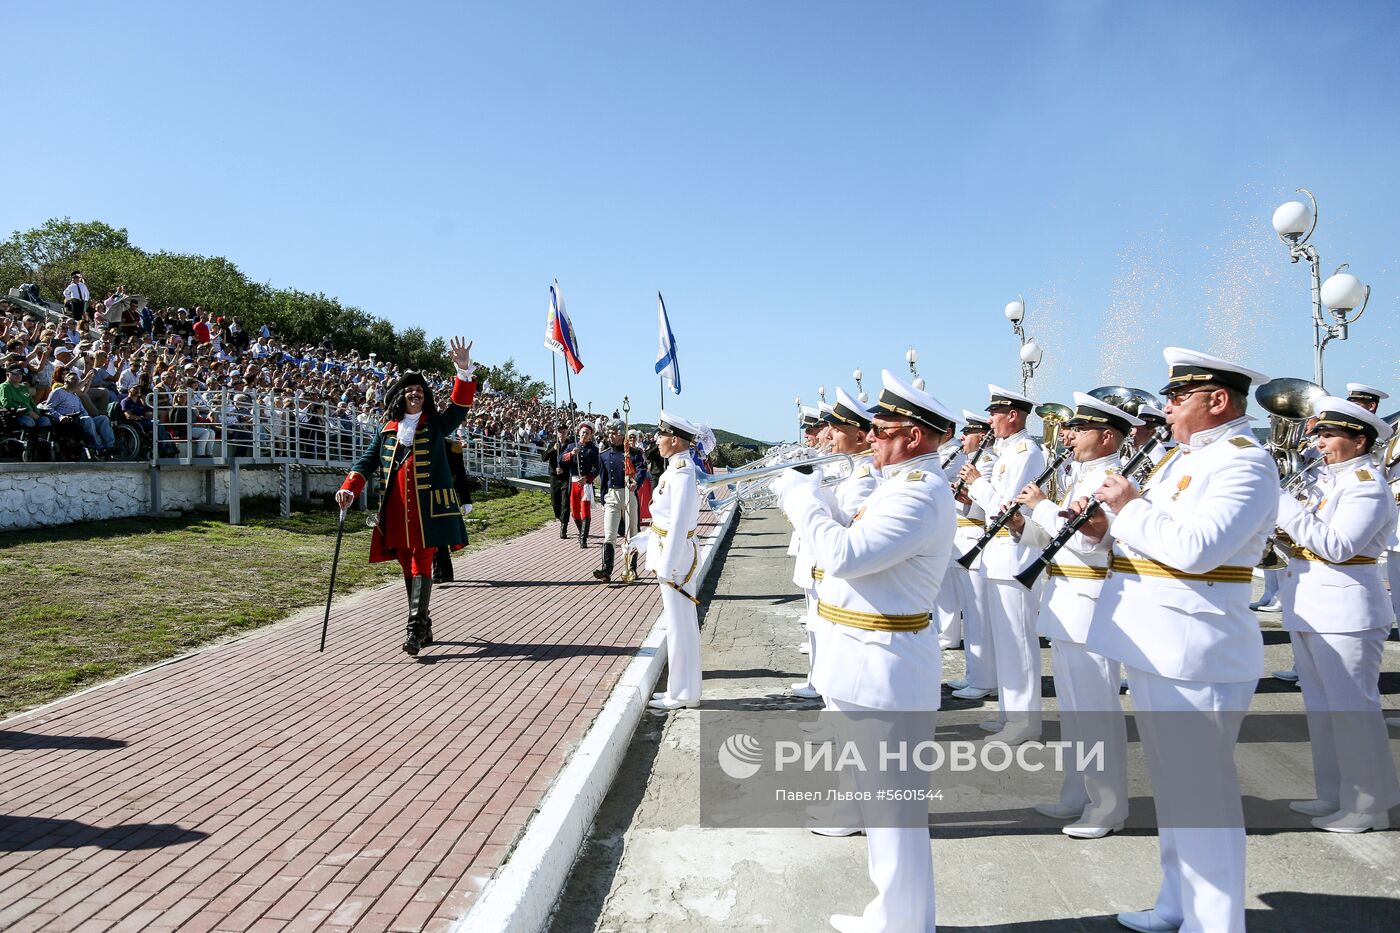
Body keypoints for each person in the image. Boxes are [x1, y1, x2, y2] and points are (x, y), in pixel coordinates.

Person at [1081, 347, 1275, 933]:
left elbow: (1197, 549)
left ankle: (1216, 924)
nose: (1163, 408)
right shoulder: (1181, 459)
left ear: (1217, 401)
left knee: (1204, 801)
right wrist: (1100, 529)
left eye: (1175, 397)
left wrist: (1130, 507)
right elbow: (1143, 542)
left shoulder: (1245, 461)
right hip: (1156, 643)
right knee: (1175, 792)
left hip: (1199, 652)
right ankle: (1177, 904)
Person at [773, 368, 955, 933]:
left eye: (882, 429)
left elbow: (846, 555)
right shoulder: (899, 488)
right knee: (883, 813)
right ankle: (894, 918)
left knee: (897, 815)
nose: (871, 436)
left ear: (915, 438)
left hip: (889, 669)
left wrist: (803, 497)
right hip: (867, 662)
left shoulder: (920, 496)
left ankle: (906, 925)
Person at [1010, 392, 1139, 839]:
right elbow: (1053, 541)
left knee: (1096, 713)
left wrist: (1041, 504)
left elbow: (1087, 542)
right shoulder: (1080, 477)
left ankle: (1108, 806)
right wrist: (1021, 526)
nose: (1070, 435)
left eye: (1080, 429)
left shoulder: (1109, 478)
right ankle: (1076, 792)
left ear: (1107, 436)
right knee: (1073, 712)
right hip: (1065, 598)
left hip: (1090, 604)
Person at [1274, 396, 1399, 832]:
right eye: (1319, 434)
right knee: (1322, 710)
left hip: (1347, 611)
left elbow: (1338, 547)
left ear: (1359, 440)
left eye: (1329, 436)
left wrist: (1281, 504)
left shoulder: (1365, 484)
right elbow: (1298, 543)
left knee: (1352, 711)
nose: (1319, 442)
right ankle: (1334, 794)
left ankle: (1370, 806)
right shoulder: (1323, 481)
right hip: (1310, 606)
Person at [334, 337, 477, 657]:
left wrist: (463, 369)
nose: (415, 393)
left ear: (425, 398)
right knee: (405, 564)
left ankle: (413, 628)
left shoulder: (437, 425)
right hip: (396, 508)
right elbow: (367, 462)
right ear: (400, 396)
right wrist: (348, 488)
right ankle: (424, 622)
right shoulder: (387, 429)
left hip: (428, 509)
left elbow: (459, 406)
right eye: (410, 391)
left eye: (420, 391)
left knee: (421, 560)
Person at [956, 384, 1047, 744]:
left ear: (1013, 415)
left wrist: (977, 485)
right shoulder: (1006, 451)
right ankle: (1010, 714)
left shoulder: (1026, 451)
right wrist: (969, 494)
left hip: (1015, 553)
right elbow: (986, 506)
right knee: (1004, 640)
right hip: (997, 553)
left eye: (995, 413)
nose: (989, 420)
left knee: (1019, 642)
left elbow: (1005, 507)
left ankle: (1025, 722)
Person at [793, 388, 878, 701]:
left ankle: (831, 706)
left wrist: (804, 498)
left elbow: (846, 527)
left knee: (835, 645)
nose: (828, 434)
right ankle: (826, 702)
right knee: (825, 637)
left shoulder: (863, 474)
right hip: (823, 564)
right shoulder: (846, 467)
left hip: (838, 568)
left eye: (837, 429)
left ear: (858, 435)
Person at [646, 411, 704, 712]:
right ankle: (680, 688)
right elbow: (665, 518)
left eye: (660, 435)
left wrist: (667, 565)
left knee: (680, 625)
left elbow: (680, 522)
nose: (657, 440)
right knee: (677, 624)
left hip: (677, 558)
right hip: (672, 552)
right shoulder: (675, 469)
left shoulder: (682, 472)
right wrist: (644, 540)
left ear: (674, 439)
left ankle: (684, 693)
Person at [945, 410, 997, 699]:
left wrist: (967, 495)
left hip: (976, 538)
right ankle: (974, 675)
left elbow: (986, 506)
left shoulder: (987, 462)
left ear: (982, 435)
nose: (963, 437)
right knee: (973, 616)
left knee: (979, 617)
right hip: (964, 539)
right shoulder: (973, 461)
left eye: (969, 432)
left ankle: (984, 678)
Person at [593, 419, 644, 582]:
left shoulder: (634, 453)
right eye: (609, 432)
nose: (610, 435)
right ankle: (606, 570)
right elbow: (603, 478)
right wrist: (603, 500)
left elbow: (642, 470)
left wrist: (636, 480)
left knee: (633, 535)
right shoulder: (604, 455)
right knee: (609, 534)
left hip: (629, 495)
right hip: (612, 496)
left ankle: (632, 569)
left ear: (622, 434)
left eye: (614, 433)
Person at [432, 436, 476, 584]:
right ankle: (439, 572)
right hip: (422, 496)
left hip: (443, 496)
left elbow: (460, 474)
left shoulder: (452, 447)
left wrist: (466, 499)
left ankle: (441, 572)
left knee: (440, 535)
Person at [44, 370, 116, 457]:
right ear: (66, 381)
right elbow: (48, 408)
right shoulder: (58, 392)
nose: (77, 381)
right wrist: (60, 417)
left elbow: (83, 410)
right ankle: (97, 447)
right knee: (87, 419)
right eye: (73, 379)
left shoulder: (75, 396)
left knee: (103, 419)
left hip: (80, 419)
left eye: (77, 380)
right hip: (68, 422)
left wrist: (86, 415)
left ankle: (109, 446)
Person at [562, 421, 600, 547]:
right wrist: (571, 454)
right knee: (575, 512)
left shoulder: (593, 449)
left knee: (585, 510)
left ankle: (583, 539)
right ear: (579, 433)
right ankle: (581, 532)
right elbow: (560, 460)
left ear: (591, 436)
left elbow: (597, 468)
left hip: (585, 484)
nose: (584, 435)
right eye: (583, 432)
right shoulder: (571, 446)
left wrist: (587, 478)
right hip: (573, 482)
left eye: (587, 433)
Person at [542, 424, 573, 538]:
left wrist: (564, 469)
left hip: (565, 478)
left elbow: (573, 460)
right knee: (555, 503)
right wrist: (553, 449)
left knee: (565, 502)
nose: (562, 434)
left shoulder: (570, 445)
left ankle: (563, 527)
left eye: (564, 432)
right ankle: (561, 518)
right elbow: (544, 457)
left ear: (567, 433)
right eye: (560, 432)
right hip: (554, 477)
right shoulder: (552, 444)